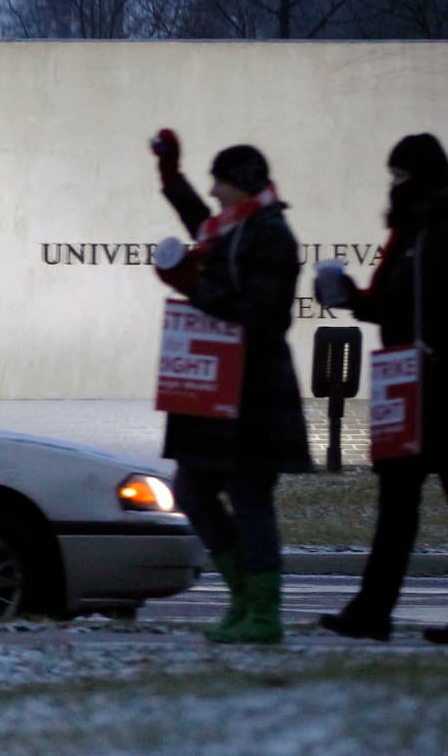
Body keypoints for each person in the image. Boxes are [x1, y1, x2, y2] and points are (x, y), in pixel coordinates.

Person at [149, 130, 312, 644]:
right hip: (216, 394)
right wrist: (171, 177)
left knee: (249, 498)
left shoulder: (272, 236)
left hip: (255, 393)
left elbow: (260, 314)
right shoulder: (233, 227)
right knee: (192, 491)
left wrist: (192, 285)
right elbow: (202, 222)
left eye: (219, 183)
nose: (214, 192)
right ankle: (244, 597)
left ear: (242, 185)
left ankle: (263, 614)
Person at [313, 133, 448, 644]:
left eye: (400, 176)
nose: (393, 186)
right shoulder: (409, 233)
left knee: (399, 505)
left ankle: (372, 610)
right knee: (395, 505)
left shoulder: (436, 233)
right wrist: (347, 296)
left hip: (439, 383)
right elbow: (390, 306)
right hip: (410, 384)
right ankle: (372, 611)